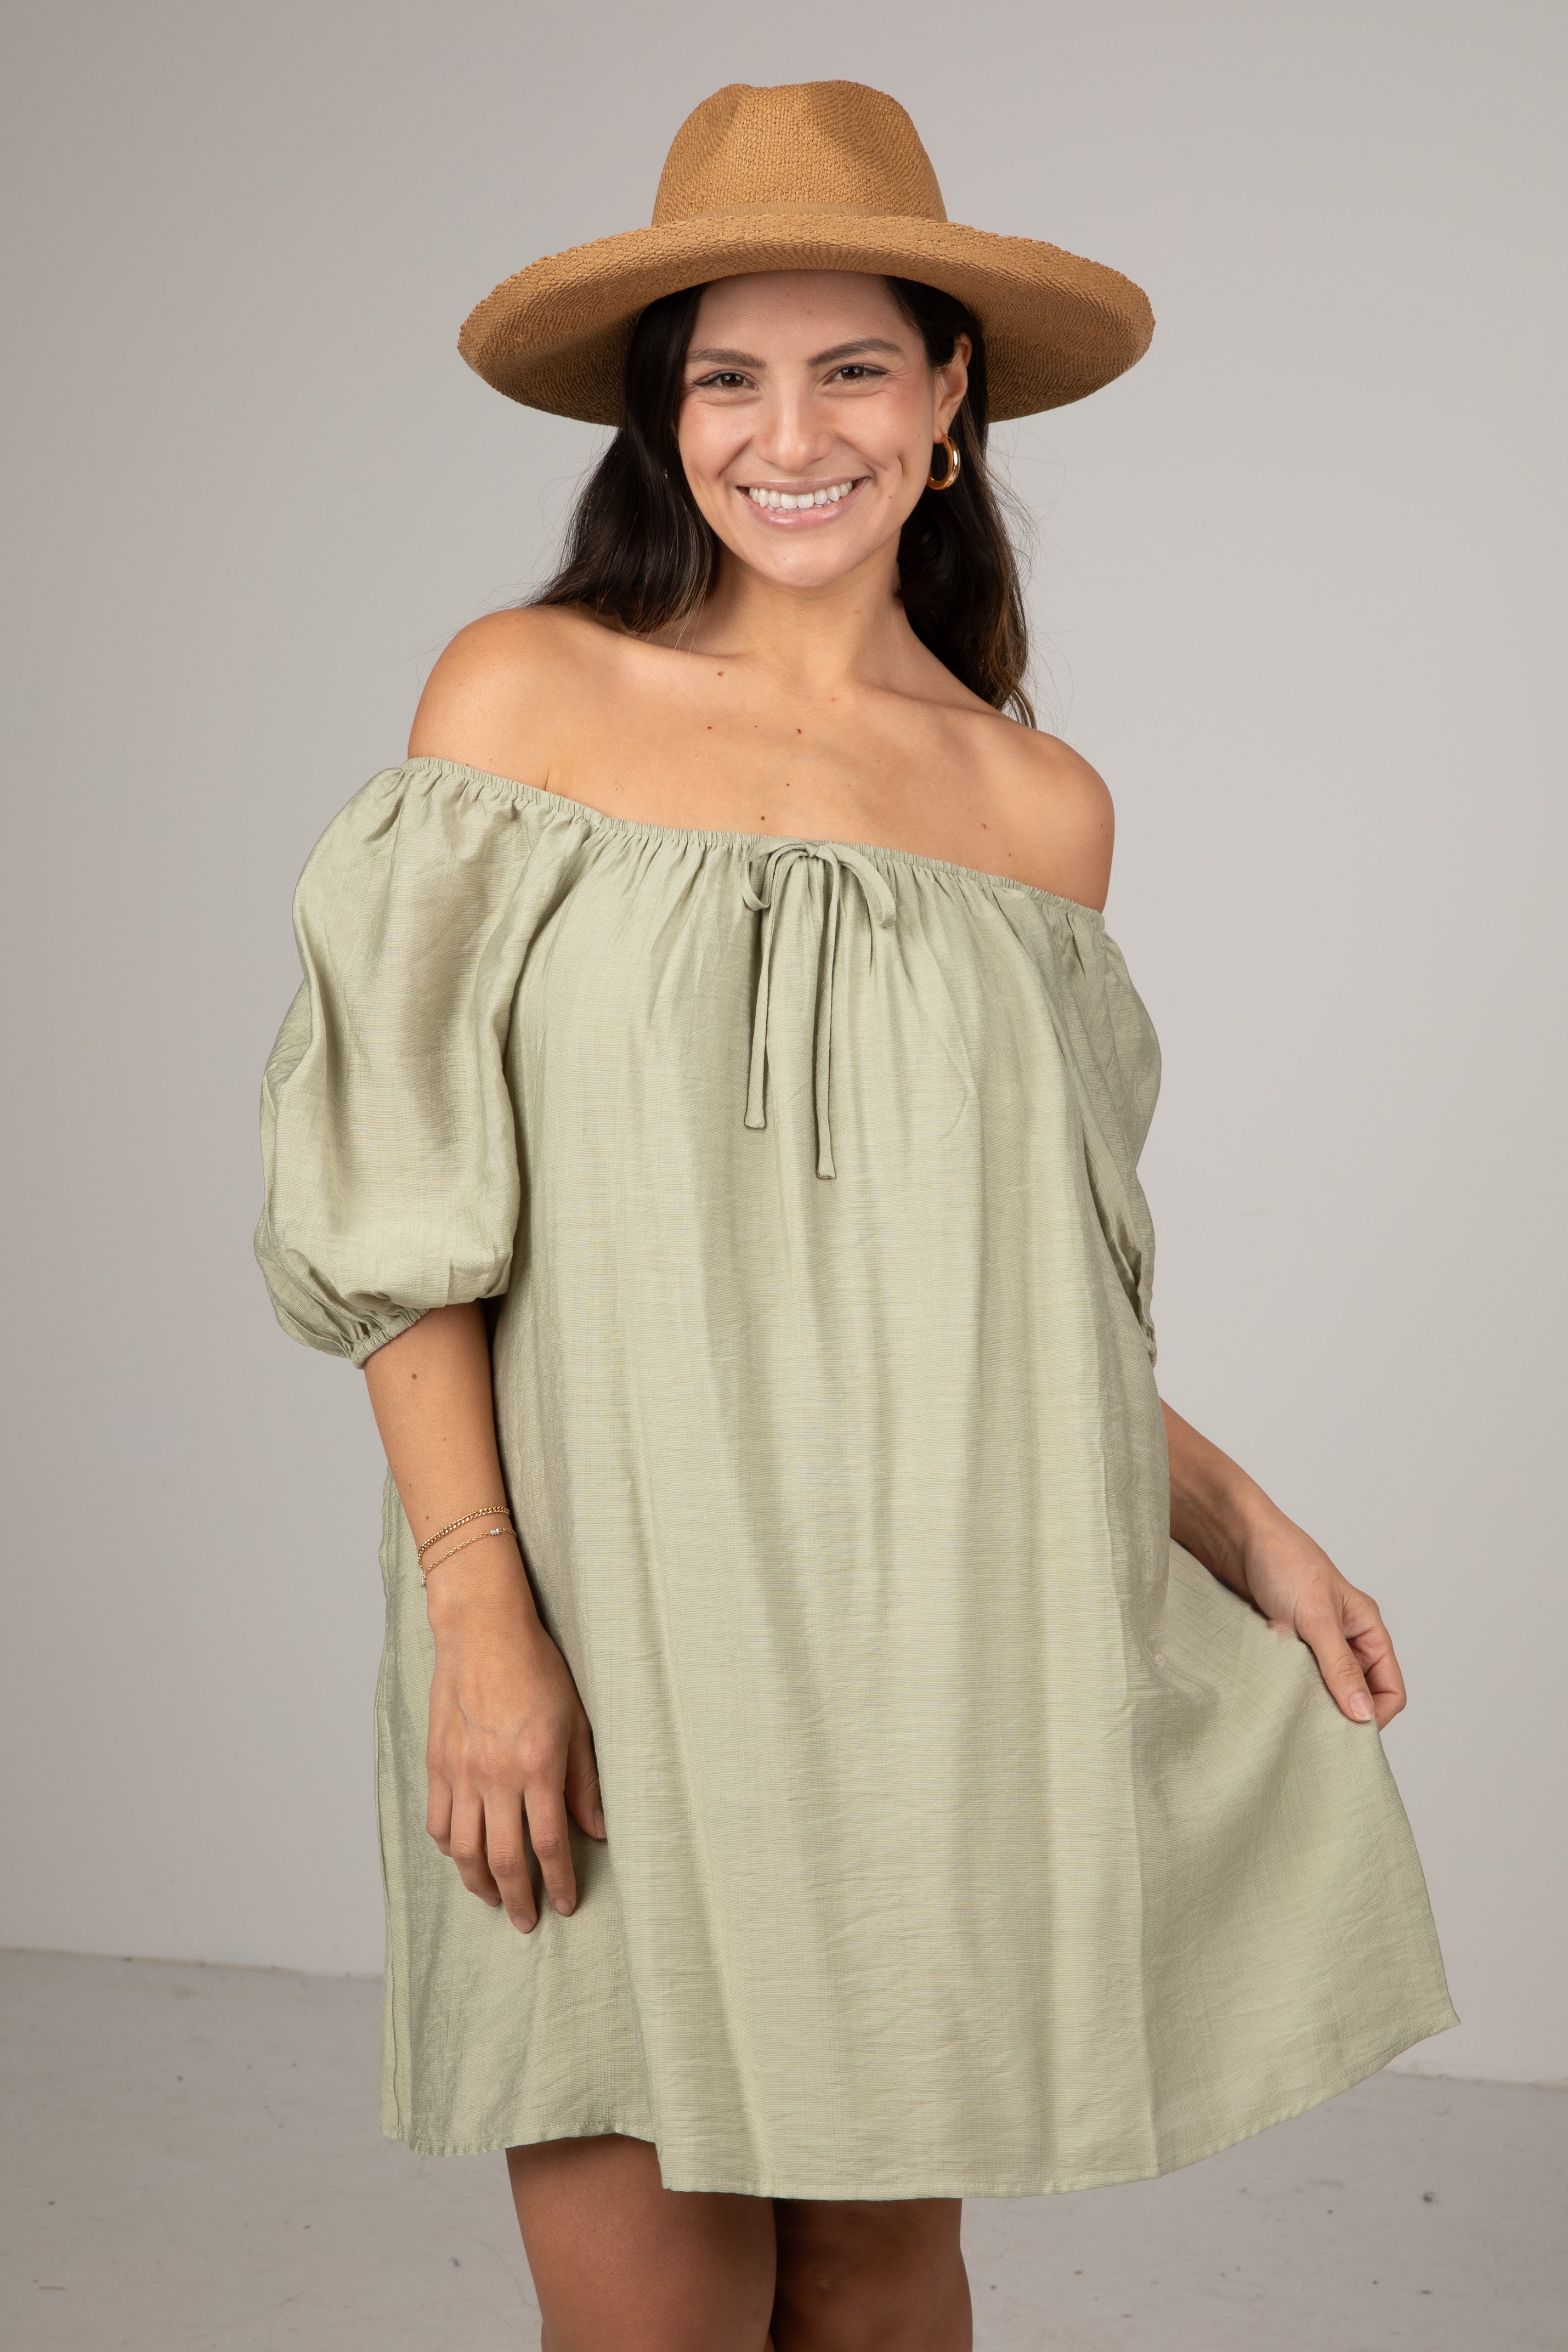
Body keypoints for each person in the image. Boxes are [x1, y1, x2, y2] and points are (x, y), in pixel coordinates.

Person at [254, 78, 1456, 2352]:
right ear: (661, 414)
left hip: (920, 1648)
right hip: (593, 1618)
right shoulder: (519, 702)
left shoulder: (1037, 811)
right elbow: (403, 1205)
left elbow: (1014, 1311)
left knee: (890, 2273)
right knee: (651, 2300)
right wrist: (475, 1604)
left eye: (848, 368)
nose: (781, 431)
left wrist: (1249, 1529)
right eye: (725, 374)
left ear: (946, 399)